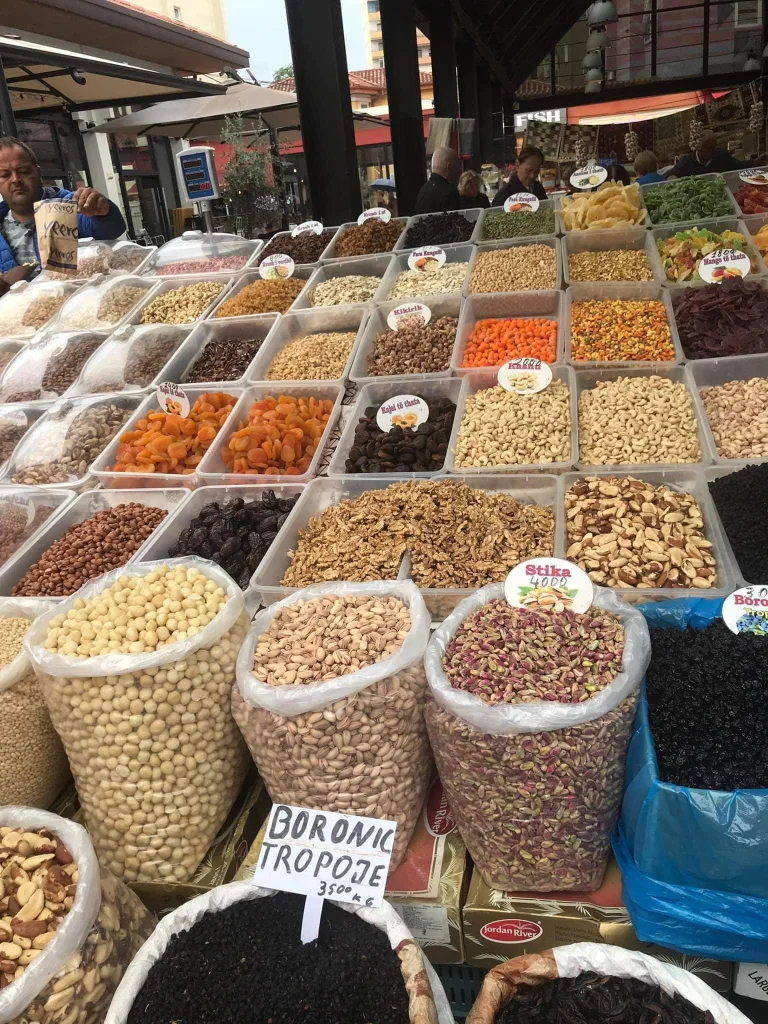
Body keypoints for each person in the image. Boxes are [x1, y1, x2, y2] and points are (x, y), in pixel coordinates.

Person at [0, 136, 126, 279]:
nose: (16, 179)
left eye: (23, 171)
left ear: (38, 173)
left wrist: (103, 211)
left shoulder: (70, 205)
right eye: (5, 175)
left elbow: (112, 229)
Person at [667, 129, 746, 178]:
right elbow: (669, 175)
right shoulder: (686, 162)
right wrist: (673, 178)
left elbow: (740, 166)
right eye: (709, 148)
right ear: (699, 147)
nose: (712, 150)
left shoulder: (722, 155)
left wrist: (755, 162)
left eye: (714, 147)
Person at [415, 146, 462, 214]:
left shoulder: (423, 190)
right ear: (449, 166)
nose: (460, 171)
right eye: (458, 165)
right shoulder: (450, 193)